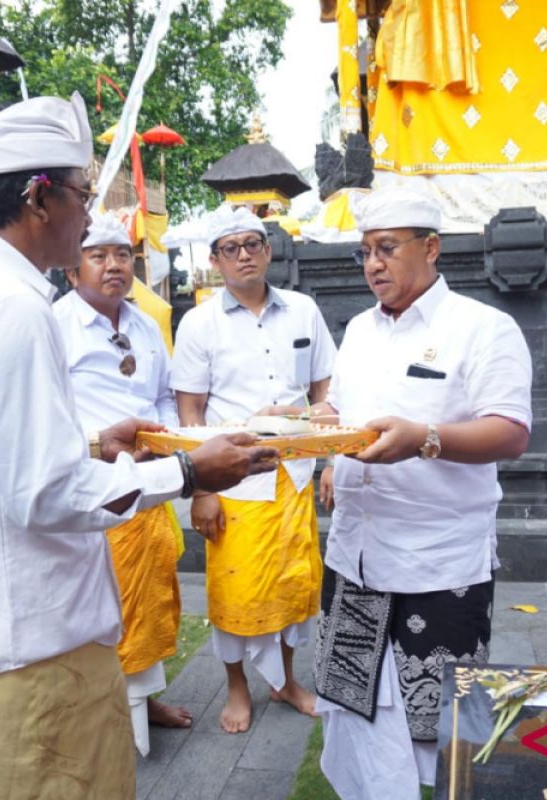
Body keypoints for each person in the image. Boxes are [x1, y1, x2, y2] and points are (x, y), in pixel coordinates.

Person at [0, 95, 276, 800]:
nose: (88, 215)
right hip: (26, 649)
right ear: (38, 198)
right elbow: (43, 493)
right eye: (80, 194)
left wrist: (88, 442)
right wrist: (192, 470)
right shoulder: (13, 307)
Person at [311, 186, 533, 798]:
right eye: (364, 253)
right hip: (354, 554)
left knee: (431, 721)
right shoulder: (357, 329)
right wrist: (308, 421)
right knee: (353, 706)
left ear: (431, 248)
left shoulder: (484, 328)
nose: (373, 265)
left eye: (386, 249)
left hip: (435, 562)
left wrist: (425, 438)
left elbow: (510, 432)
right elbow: (346, 411)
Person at [171, 204, 336, 733]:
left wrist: (328, 456)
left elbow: (325, 391)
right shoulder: (198, 323)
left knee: (292, 585)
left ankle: (286, 682)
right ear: (216, 259)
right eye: (231, 248)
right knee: (235, 592)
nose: (243, 255)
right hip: (234, 477)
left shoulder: (304, 310)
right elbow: (190, 412)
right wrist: (201, 488)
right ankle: (238, 687)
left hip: (293, 473)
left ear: (268, 251)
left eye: (252, 244)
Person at [53, 213, 191, 755]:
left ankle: (145, 695)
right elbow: (50, 413)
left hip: (148, 481)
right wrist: (99, 442)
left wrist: (160, 438)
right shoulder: (54, 327)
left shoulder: (145, 325)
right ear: (72, 270)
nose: (114, 266)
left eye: (122, 255)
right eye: (99, 255)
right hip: (91, 486)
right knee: (104, 605)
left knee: (150, 599)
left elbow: (160, 396)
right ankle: (104, 706)